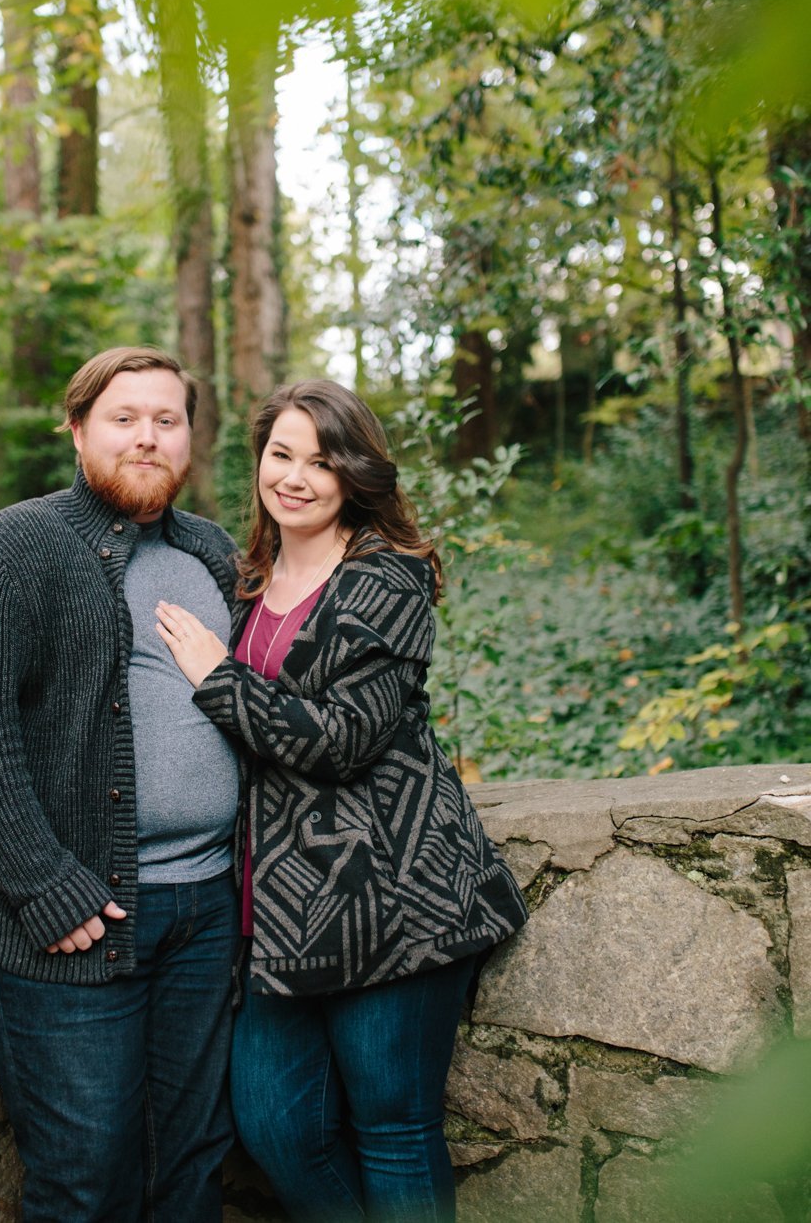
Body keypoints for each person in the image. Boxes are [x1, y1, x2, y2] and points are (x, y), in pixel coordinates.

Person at [155, 379, 529, 1223]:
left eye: (321, 462)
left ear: (354, 474)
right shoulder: (243, 578)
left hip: (390, 901)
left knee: (394, 1130)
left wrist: (218, 676)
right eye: (280, 455)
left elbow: (339, 739)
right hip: (279, 915)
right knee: (275, 1126)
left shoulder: (386, 580)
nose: (294, 477)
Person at [0, 346, 241, 1223]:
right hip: (71, 919)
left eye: (167, 420)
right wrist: (43, 885)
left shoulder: (213, 553)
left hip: (205, 915)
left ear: (190, 437)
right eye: (124, 418)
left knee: (191, 1164)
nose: (148, 438)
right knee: (86, 1179)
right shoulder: (19, 544)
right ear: (77, 431)